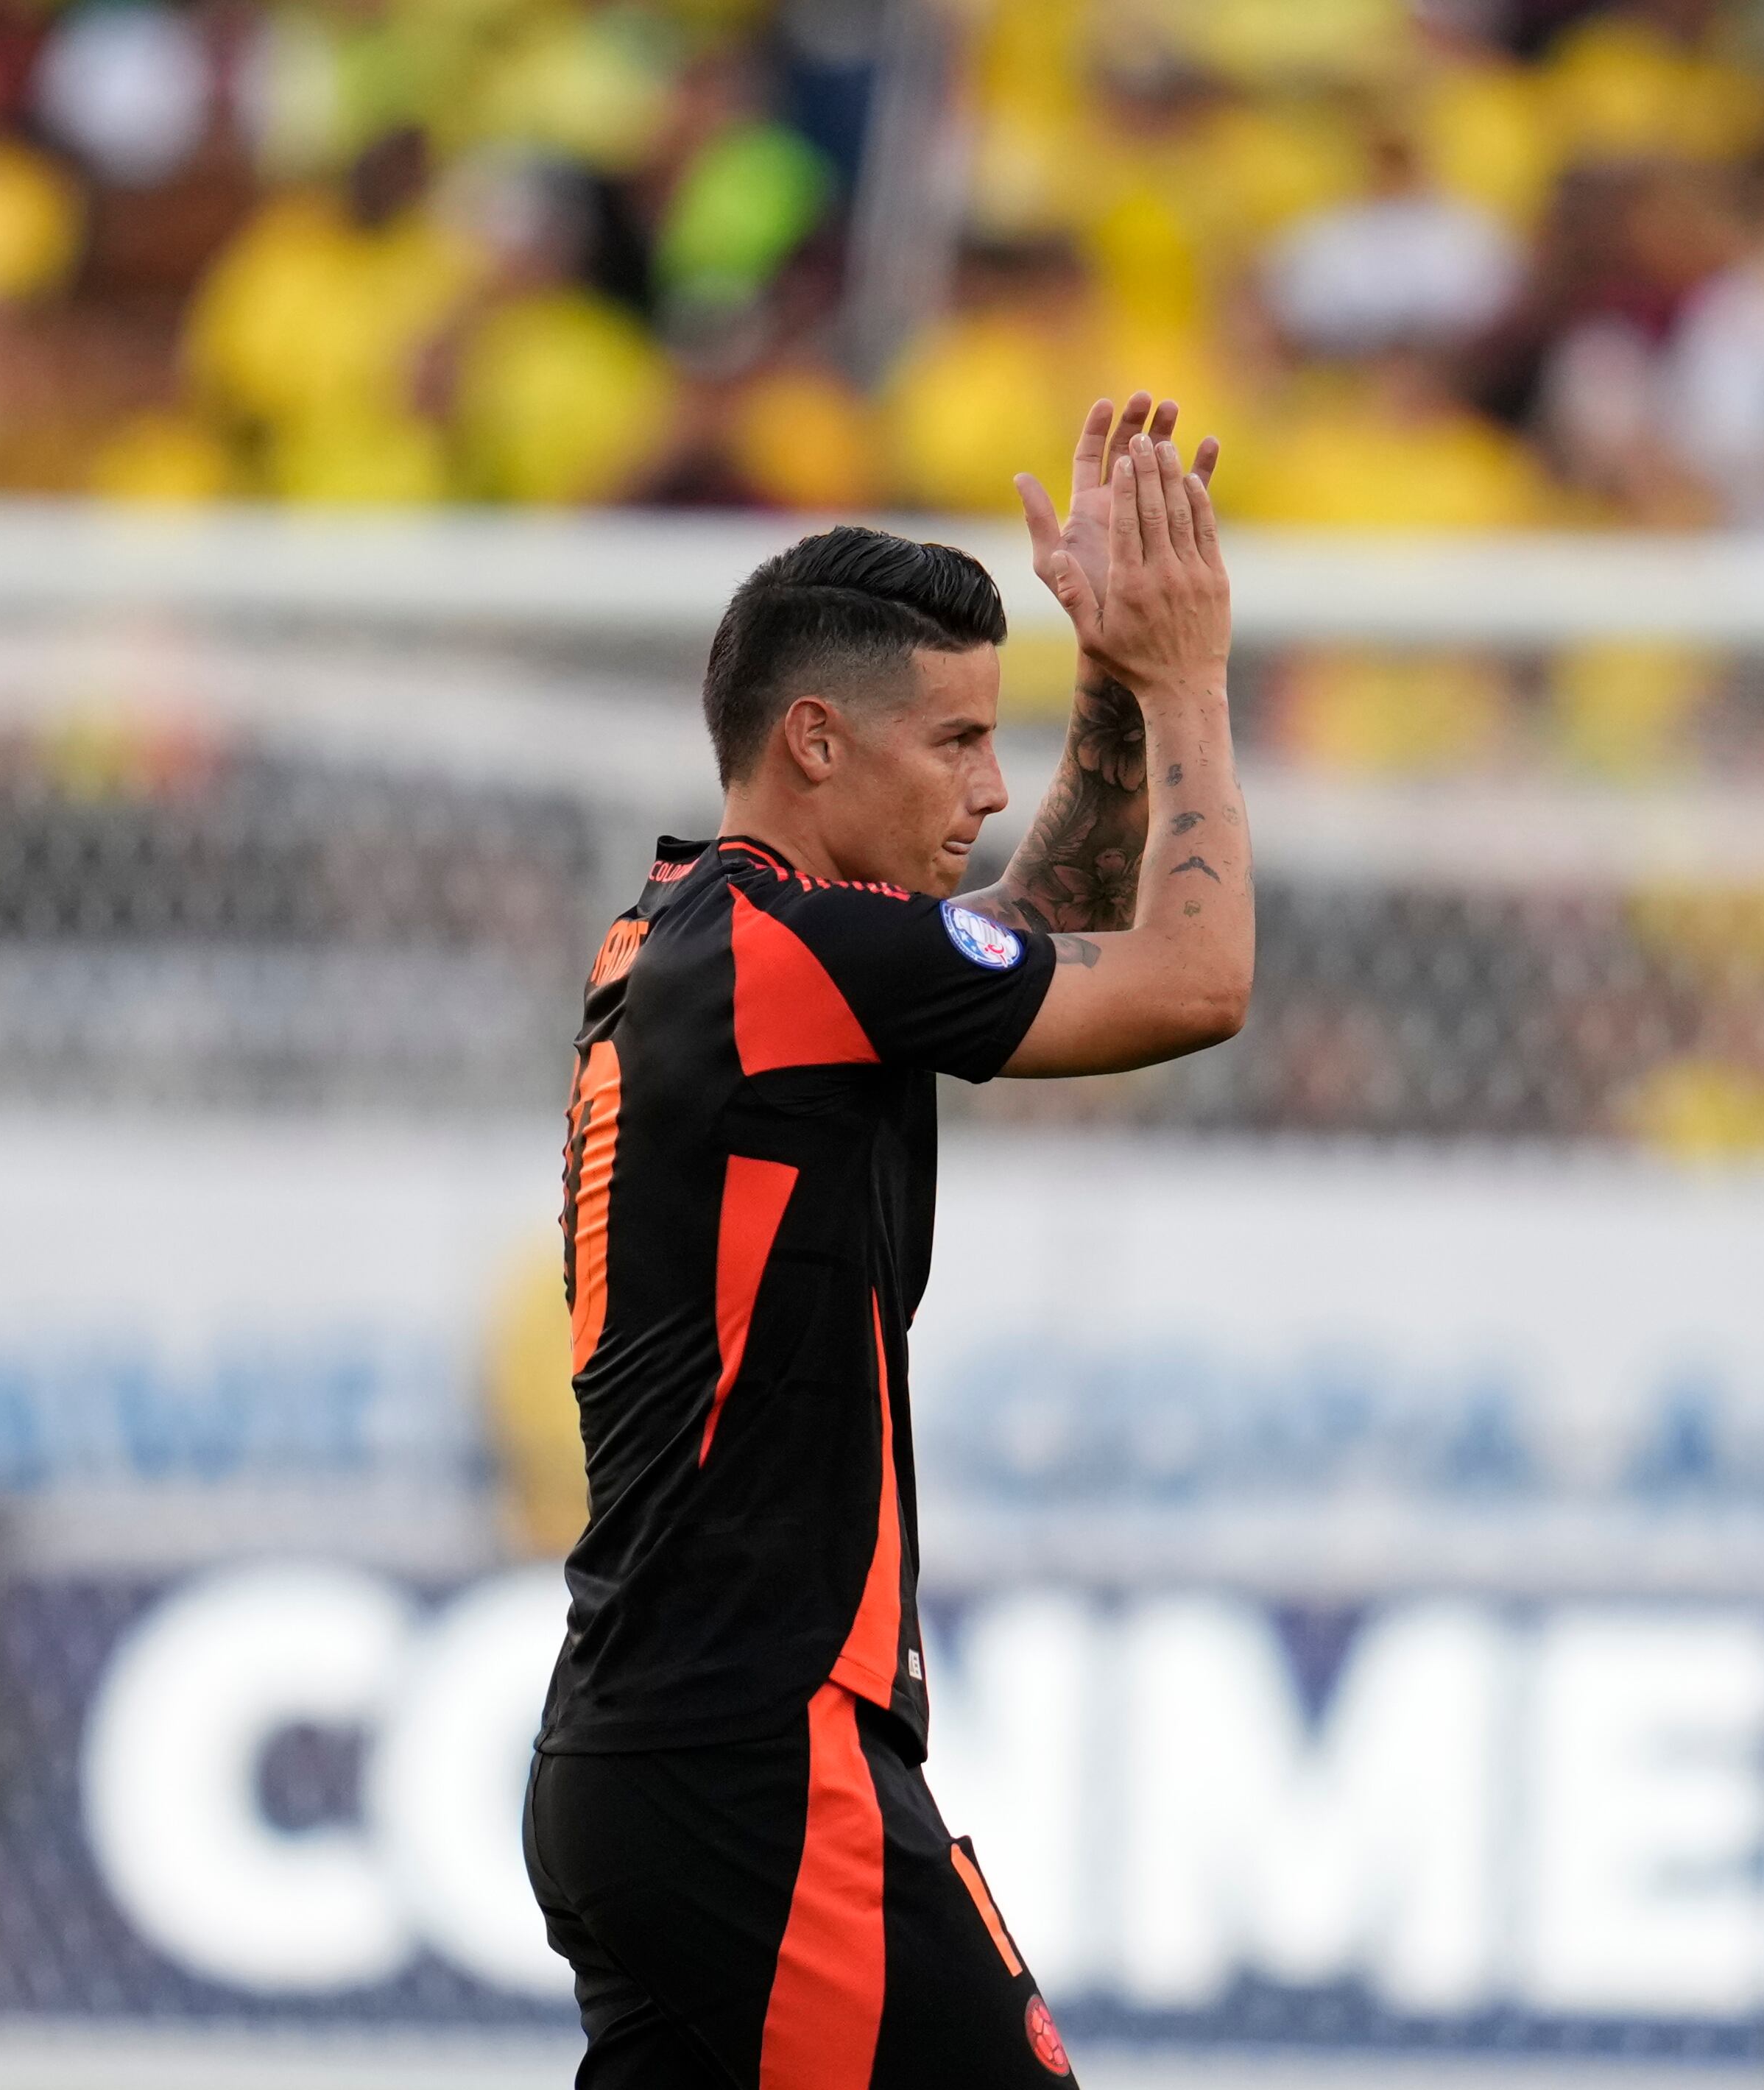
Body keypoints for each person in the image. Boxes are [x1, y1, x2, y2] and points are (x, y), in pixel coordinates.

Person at [522, 393, 1250, 2089]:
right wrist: (1194, 683)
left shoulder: (700, 939)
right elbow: (1189, 981)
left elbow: (1017, 935)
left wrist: (1106, 692)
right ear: (814, 744)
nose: (989, 792)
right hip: (756, 1763)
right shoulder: (791, 957)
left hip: (648, 1756)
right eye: (952, 746)